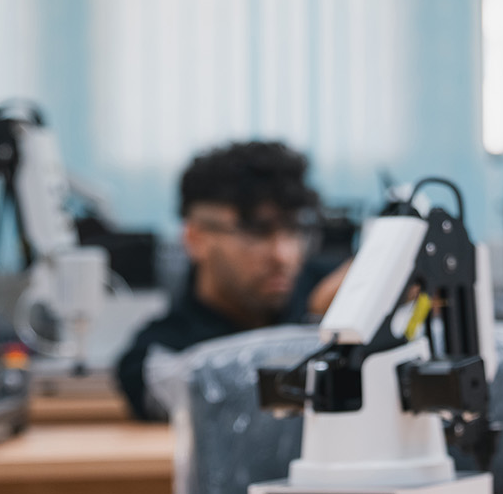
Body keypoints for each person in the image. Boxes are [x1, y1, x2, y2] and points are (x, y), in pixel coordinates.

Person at [118, 140, 346, 419]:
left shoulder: (336, 289)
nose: (283, 255)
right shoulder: (164, 351)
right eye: (257, 231)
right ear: (195, 238)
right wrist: (316, 328)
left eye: (294, 230)